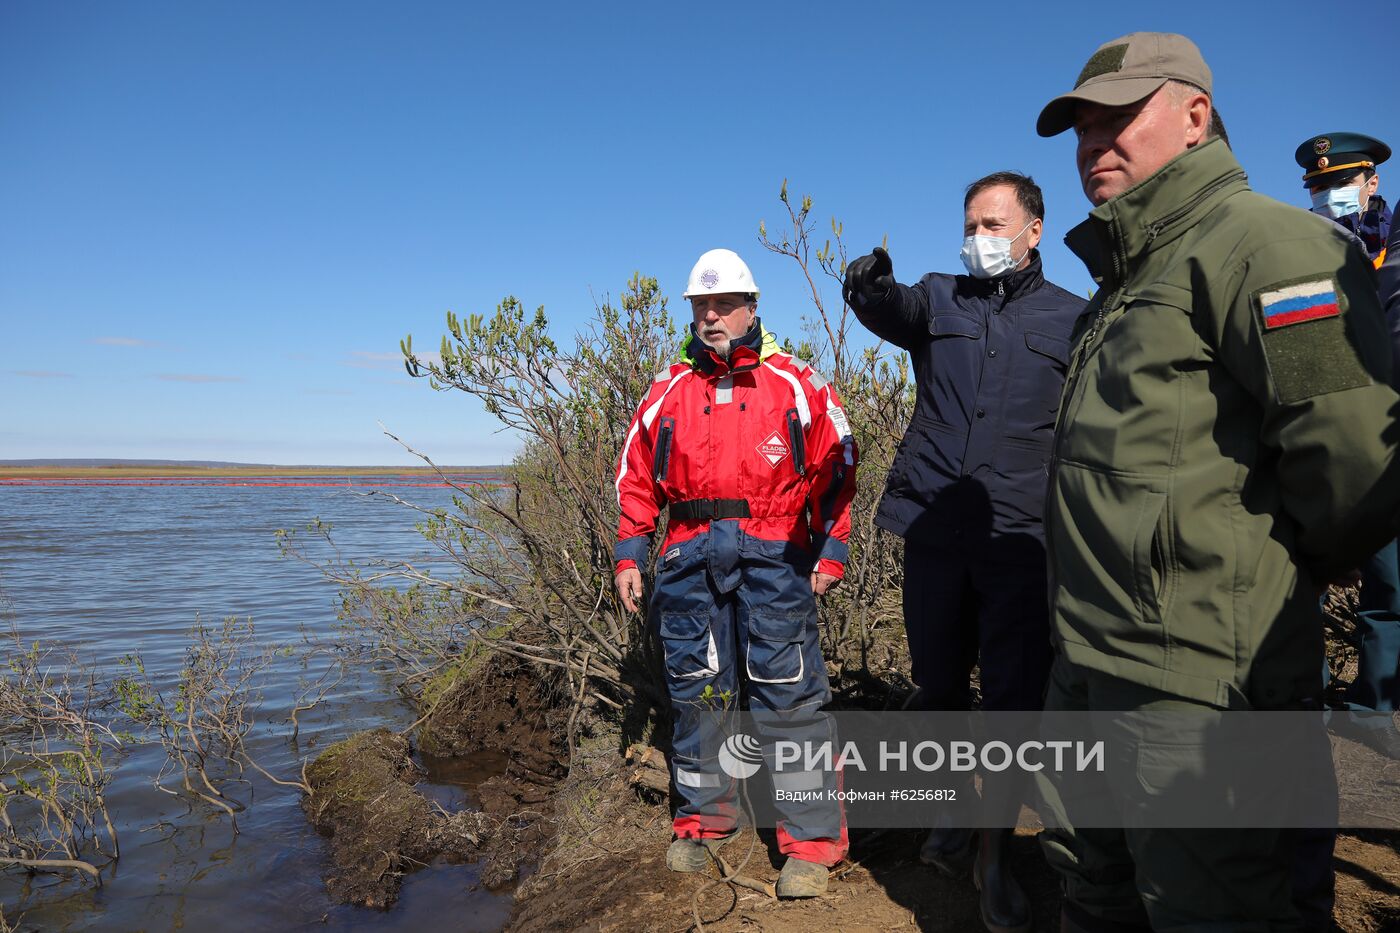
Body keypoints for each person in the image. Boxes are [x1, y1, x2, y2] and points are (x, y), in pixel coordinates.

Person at [1033, 32, 1400, 931]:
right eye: (1081, 126)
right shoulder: (1128, 275)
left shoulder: (1269, 246)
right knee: (1092, 887)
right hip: (1091, 660)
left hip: (1201, 683)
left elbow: (1352, 463)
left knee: (1219, 905)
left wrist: (1263, 577)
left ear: (1195, 115)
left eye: (1119, 116)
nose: (1094, 143)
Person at [843, 173, 1085, 932]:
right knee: (939, 686)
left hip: (1021, 539)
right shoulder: (939, 297)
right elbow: (891, 307)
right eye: (972, 223)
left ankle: (993, 855)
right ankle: (948, 816)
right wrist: (867, 283)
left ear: (1033, 230)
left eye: (994, 223)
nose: (979, 236)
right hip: (937, 530)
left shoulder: (1075, 318)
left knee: (1015, 702)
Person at [613, 248, 858, 898]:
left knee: (788, 695)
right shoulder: (668, 389)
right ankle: (704, 821)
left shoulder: (795, 382)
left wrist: (831, 550)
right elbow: (636, 477)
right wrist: (630, 552)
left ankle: (810, 843)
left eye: (724, 305)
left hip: (776, 553)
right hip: (689, 553)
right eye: (702, 306)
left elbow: (840, 467)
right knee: (698, 692)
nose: (713, 316)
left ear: (752, 307)